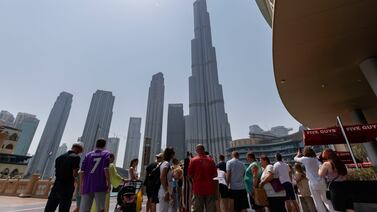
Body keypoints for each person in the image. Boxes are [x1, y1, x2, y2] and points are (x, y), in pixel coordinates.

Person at [45, 142, 83, 212]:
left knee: (50, 207)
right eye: (80, 151)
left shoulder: (59, 157)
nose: (80, 153)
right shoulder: (76, 157)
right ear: (79, 149)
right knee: (64, 208)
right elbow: (74, 174)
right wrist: (80, 183)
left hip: (56, 185)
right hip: (67, 187)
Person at [294, 147, 334, 212]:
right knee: (326, 200)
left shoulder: (305, 159)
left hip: (313, 183)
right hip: (322, 181)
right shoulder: (316, 159)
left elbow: (295, 159)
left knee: (318, 201)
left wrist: (298, 154)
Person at [80, 139, 111, 212]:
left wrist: (82, 185)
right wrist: (109, 184)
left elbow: (82, 171)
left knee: (85, 209)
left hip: (87, 185)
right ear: (104, 145)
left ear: (96, 144)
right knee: (100, 209)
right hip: (100, 184)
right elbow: (106, 169)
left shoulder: (88, 155)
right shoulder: (106, 154)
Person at [188, 144, 217, 212]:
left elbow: (189, 175)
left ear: (197, 151)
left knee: (197, 209)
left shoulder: (193, 160)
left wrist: (195, 180)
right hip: (210, 188)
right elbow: (215, 175)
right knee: (211, 209)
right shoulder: (211, 160)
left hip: (198, 188)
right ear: (204, 150)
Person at [159, 147, 176, 212]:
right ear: (171, 154)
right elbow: (162, 177)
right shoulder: (166, 164)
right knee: (164, 209)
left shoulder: (165, 163)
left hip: (166, 189)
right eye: (173, 153)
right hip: (165, 190)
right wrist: (166, 191)